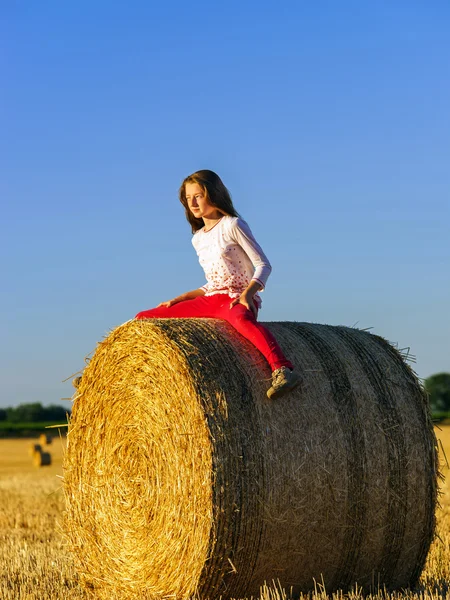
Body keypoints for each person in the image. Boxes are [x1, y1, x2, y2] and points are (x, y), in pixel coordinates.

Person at [135, 169, 301, 400]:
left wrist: (247, 295)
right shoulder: (198, 238)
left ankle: (283, 370)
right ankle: (106, 373)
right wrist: (183, 297)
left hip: (236, 297)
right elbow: (213, 281)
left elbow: (264, 265)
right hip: (210, 298)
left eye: (198, 196)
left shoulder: (233, 225)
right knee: (144, 316)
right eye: (188, 198)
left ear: (213, 194)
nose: (192, 203)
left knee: (241, 321)